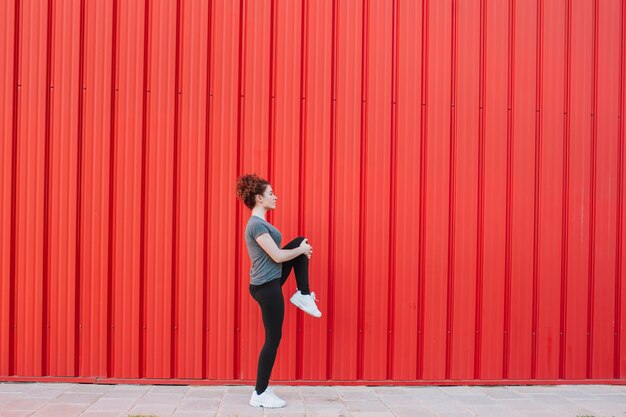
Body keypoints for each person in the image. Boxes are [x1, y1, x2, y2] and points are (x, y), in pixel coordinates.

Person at [235, 173, 322, 409]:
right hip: (266, 287)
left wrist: (300, 249)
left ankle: (303, 294)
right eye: (270, 193)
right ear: (258, 198)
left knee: (299, 242)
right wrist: (301, 251)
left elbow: (282, 254)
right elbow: (277, 256)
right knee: (273, 338)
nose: (275, 196)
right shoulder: (255, 225)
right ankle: (260, 393)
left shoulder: (262, 224)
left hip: (270, 280)